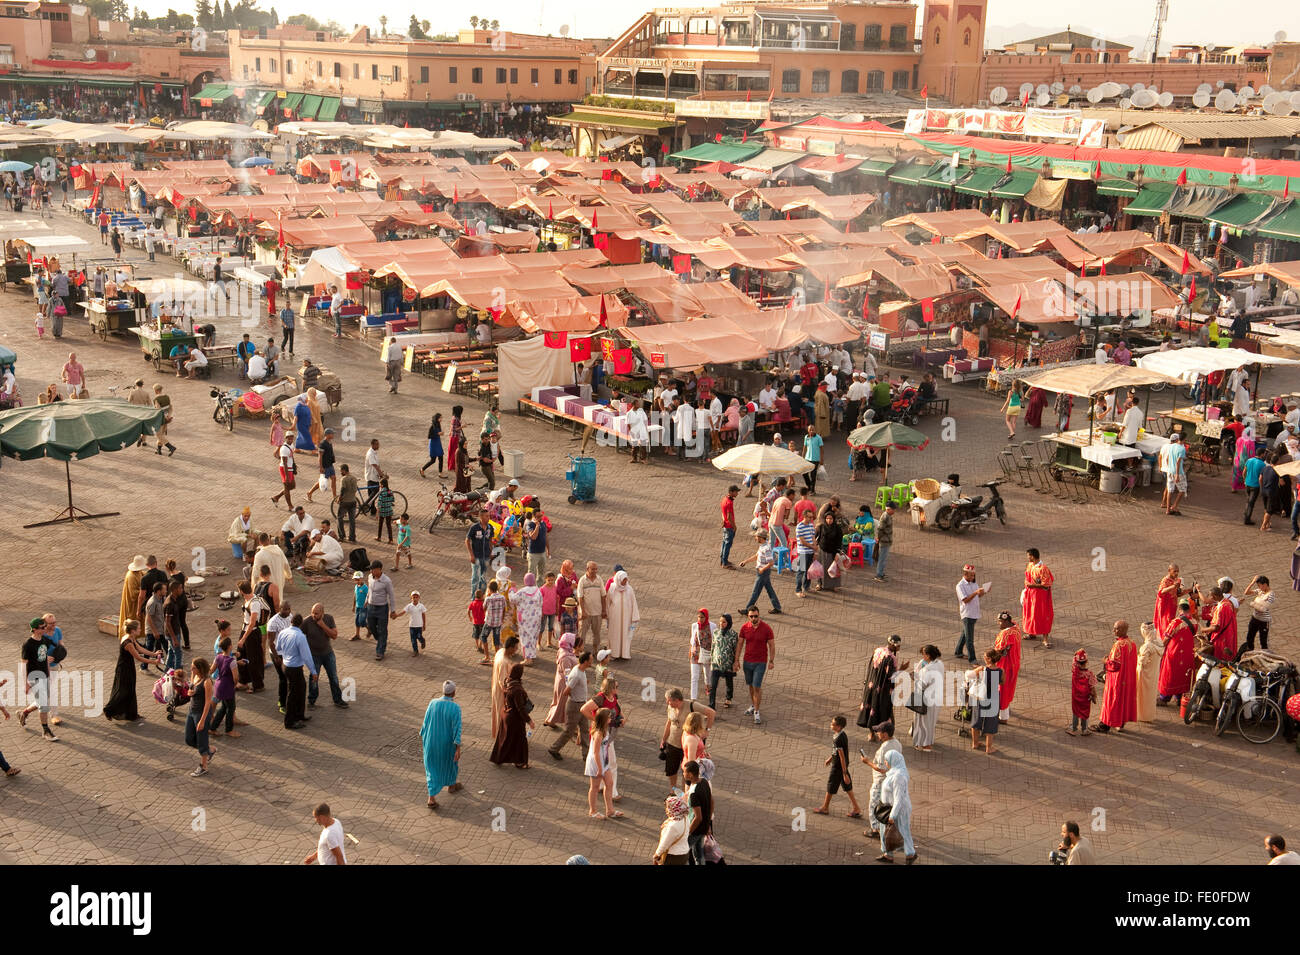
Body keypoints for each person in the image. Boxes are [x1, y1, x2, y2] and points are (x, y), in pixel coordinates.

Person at [103, 619, 158, 723]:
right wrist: (153, 662)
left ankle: (131, 714)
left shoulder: (131, 638)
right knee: (123, 691)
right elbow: (139, 658)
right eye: (138, 628)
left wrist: (154, 654)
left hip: (128, 666)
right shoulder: (128, 642)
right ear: (133, 630)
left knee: (130, 689)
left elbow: (141, 649)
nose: (140, 630)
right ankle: (109, 709)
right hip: (124, 668)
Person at [420, 682, 463, 809]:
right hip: (447, 743)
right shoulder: (455, 708)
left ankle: (434, 796)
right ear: (454, 692)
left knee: (431, 767)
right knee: (450, 763)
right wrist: (458, 747)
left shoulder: (432, 703)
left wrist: (424, 738)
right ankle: (448, 788)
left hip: (431, 741)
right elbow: (457, 729)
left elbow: (425, 722)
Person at [815, 715, 863, 818]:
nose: (831, 725)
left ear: (839, 727)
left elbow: (841, 757)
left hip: (839, 767)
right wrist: (830, 758)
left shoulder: (838, 739)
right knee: (847, 787)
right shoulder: (841, 735)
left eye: (833, 724)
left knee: (831, 786)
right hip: (841, 766)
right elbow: (836, 752)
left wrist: (844, 773)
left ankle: (825, 807)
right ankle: (856, 808)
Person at [548, 651, 593, 761]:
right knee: (569, 731)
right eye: (591, 659)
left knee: (584, 730)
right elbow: (566, 691)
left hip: (582, 704)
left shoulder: (581, 670)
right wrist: (575, 697)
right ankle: (554, 748)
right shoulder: (576, 674)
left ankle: (586, 756)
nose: (592, 661)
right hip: (575, 706)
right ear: (586, 661)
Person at [860, 720, 900, 839]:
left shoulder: (884, 748)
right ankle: (889, 824)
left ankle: (875, 829)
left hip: (881, 780)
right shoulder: (897, 743)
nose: (877, 733)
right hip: (892, 780)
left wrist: (867, 762)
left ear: (885, 734)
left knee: (874, 803)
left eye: (879, 731)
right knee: (888, 804)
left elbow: (882, 769)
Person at [1094, 620, 1137, 733]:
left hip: (1117, 680)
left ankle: (1105, 725)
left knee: (1112, 701)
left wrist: (1105, 661)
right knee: (1123, 701)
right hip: (1127, 678)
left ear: (1122, 630)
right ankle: (1120, 722)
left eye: (1116, 628)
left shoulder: (1118, 645)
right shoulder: (1132, 643)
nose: (1114, 630)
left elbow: (1114, 665)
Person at [737, 606, 776, 725]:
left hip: (760, 662)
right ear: (748, 616)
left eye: (756, 616)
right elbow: (740, 644)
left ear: (759, 615)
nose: (754, 618)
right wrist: (736, 660)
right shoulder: (744, 628)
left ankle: (757, 712)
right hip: (747, 662)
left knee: (757, 686)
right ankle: (754, 705)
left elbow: (771, 645)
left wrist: (771, 660)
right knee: (750, 685)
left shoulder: (766, 628)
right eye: (751, 616)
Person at [875, 750, 915, 864]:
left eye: (887, 761)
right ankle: (890, 854)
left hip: (897, 810)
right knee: (888, 831)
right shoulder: (894, 772)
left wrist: (893, 815)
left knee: (902, 831)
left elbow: (898, 798)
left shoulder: (898, 777)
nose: (885, 763)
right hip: (890, 808)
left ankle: (908, 854)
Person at [490, 663, 533, 769]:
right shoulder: (517, 689)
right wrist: (529, 720)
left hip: (506, 714)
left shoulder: (507, 681)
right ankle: (520, 762)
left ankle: (498, 758)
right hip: (514, 718)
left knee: (505, 738)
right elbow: (520, 708)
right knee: (520, 740)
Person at [1157, 598, 1198, 705]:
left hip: (1174, 653)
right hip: (1188, 653)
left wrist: (1160, 649)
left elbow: (1166, 638)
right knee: (1183, 675)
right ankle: (1179, 698)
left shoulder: (1176, 622)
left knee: (1170, 675)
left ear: (1179, 608)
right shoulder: (1194, 622)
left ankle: (1164, 698)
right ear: (1189, 609)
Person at [584, 708, 621, 820]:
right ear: (604, 719)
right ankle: (593, 811)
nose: (611, 719)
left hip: (603, 761)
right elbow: (595, 752)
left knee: (609, 783)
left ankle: (610, 810)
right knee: (594, 787)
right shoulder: (599, 733)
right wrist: (600, 769)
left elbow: (603, 747)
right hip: (596, 763)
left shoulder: (604, 729)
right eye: (609, 717)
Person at [184, 658, 216, 776]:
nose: (191, 669)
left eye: (194, 667)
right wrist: (189, 693)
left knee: (202, 740)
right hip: (191, 711)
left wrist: (202, 721)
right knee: (189, 739)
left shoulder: (207, 682)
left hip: (201, 713)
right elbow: (191, 689)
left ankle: (203, 766)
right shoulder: (195, 675)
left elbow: (208, 702)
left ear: (200, 668)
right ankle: (209, 750)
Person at [968, 648, 1003, 754]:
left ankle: (975, 743)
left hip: (981, 697)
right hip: (993, 698)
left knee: (976, 720)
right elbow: (1002, 682)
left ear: (988, 659)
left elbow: (969, 676)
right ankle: (989, 748)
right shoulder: (1001, 670)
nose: (983, 658)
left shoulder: (982, 669)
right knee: (991, 723)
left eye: (984, 656)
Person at [910, 645, 944, 750]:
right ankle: (928, 742)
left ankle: (921, 744)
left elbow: (922, 685)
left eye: (924, 654)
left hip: (925, 698)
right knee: (931, 721)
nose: (923, 656)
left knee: (921, 721)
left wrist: (914, 677)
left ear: (928, 656)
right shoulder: (940, 664)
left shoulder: (927, 669)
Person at [738, 532, 782, 614]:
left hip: (763, 573)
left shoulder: (766, 549)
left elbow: (771, 563)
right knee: (769, 590)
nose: (755, 538)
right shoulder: (762, 546)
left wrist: (762, 569)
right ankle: (777, 607)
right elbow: (756, 556)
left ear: (761, 537)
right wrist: (745, 561)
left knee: (755, 591)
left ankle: (748, 609)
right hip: (762, 572)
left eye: (756, 536)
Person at [1021, 548, 1055, 648]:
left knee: (1042, 615)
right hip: (1030, 595)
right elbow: (1027, 577)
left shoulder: (1043, 568)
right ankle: (1031, 633)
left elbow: (1046, 585)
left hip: (1040, 597)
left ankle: (1045, 639)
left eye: (1028, 555)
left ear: (1032, 556)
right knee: (1031, 614)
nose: (1027, 557)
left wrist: (1033, 586)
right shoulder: (1030, 565)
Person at [992, 612, 1022, 723]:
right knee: (1009, 687)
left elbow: (998, 650)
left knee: (1003, 689)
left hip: (1006, 665)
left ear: (1005, 621)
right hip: (1014, 663)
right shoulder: (1016, 628)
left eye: (1000, 622)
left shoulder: (1006, 634)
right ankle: (1006, 708)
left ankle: (1003, 717)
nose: (999, 624)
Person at [605, 570, 640, 661]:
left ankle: (624, 654)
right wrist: (608, 615)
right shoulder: (612, 588)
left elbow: (634, 603)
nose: (625, 581)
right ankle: (614, 653)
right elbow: (608, 602)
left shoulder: (629, 589)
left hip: (626, 618)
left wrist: (634, 617)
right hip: (614, 618)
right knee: (614, 635)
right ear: (619, 579)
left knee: (625, 635)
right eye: (623, 580)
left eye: (626, 579)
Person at [365, 560, 395, 661]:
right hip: (370, 606)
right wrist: (366, 600)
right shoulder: (370, 577)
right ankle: (381, 641)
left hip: (382, 608)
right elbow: (369, 590)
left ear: (379, 569)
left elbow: (391, 596)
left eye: (373, 569)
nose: (371, 571)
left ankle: (380, 651)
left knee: (382, 630)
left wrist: (393, 610)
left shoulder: (386, 581)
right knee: (371, 626)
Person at [955, 564, 984, 663]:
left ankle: (958, 652)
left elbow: (976, 597)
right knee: (969, 639)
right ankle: (972, 659)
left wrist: (982, 593)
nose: (973, 577)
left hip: (974, 613)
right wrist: (976, 593)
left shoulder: (973, 584)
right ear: (965, 574)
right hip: (967, 614)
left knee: (965, 634)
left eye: (973, 575)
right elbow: (966, 600)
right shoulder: (960, 586)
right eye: (971, 575)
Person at [709, 613, 738, 710]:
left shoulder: (733, 635)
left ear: (728, 623)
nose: (721, 623)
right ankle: (711, 706)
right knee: (713, 686)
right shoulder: (716, 632)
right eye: (720, 621)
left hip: (728, 663)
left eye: (724, 622)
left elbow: (735, 649)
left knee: (729, 682)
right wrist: (712, 658)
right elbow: (713, 646)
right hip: (716, 663)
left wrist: (735, 662)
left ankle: (728, 698)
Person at [514, 573, 544, 663]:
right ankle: (532, 654)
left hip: (524, 619)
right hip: (536, 618)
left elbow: (513, 599)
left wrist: (512, 590)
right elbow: (541, 603)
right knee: (533, 636)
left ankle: (528, 659)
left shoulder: (522, 591)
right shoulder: (538, 591)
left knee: (525, 637)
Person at [1068, 648, 1097, 736]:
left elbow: (1074, 660)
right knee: (1085, 712)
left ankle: (1073, 728)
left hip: (1076, 696)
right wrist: (1094, 696)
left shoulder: (1075, 671)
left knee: (1076, 711)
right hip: (1085, 697)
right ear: (1086, 662)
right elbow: (1092, 687)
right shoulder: (1089, 674)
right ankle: (1084, 729)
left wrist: (1077, 653)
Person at [653, 796, 691, 865]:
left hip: (673, 857)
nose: (666, 810)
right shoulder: (685, 818)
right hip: (685, 853)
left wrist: (656, 855)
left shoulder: (672, 826)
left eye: (668, 807)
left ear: (674, 809)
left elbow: (665, 843)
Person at [688, 609, 716, 702]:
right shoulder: (694, 625)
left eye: (702, 617)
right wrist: (691, 651)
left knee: (707, 674)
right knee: (694, 677)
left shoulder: (713, 626)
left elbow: (715, 640)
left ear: (706, 617)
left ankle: (708, 686)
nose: (700, 619)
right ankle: (693, 698)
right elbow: (692, 640)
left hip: (707, 654)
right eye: (699, 617)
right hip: (696, 654)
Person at [1242, 575, 1274, 651]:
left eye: (1260, 586)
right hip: (1254, 618)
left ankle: (1265, 655)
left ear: (1265, 584)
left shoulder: (1271, 595)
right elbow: (1246, 592)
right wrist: (1252, 583)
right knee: (1250, 637)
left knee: (1263, 641)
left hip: (1264, 621)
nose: (1259, 587)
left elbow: (1263, 608)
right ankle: (1250, 652)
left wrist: (1253, 604)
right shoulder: (1260, 591)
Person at [1159, 432, 1188, 516]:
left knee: (1170, 489)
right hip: (1178, 472)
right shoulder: (1182, 449)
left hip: (1170, 471)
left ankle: (1168, 509)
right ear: (1184, 439)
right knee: (1182, 490)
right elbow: (1178, 462)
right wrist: (1177, 475)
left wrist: (1169, 467)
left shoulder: (1171, 446)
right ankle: (1174, 506)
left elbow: (1167, 458)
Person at [1153, 564, 1183, 639]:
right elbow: (1161, 592)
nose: (1176, 573)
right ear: (1169, 571)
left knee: (1170, 622)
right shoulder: (1165, 580)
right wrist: (1173, 586)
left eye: (1177, 571)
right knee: (1164, 623)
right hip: (1165, 607)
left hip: (1172, 606)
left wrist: (1190, 590)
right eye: (1174, 571)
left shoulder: (1177, 580)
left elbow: (1178, 594)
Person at [336, 464, 358, 543]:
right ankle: (352, 537)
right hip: (353, 501)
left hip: (345, 502)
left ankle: (342, 536)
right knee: (352, 520)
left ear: (344, 470)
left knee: (339, 518)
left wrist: (339, 498)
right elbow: (355, 489)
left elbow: (343, 489)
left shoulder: (344, 479)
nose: (340, 472)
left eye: (341, 470)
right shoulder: (354, 478)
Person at [873, 503, 895, 581]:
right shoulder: (885, 517)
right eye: (893, 510)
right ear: (889, 509)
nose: (894, 511)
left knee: (884, 558)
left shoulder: (888, 516)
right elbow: (880, 529)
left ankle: (881, 573)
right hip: (884, 541)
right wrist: (878, 538)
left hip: (887, 540)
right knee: (882, 558)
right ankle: (878, 575)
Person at [720, 485, 739, 569]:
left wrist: (723, 521)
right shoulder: (729, 502)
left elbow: (723, 514)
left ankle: (723, 560)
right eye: (736, 492)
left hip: (726, 525)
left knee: (724, 543)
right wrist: (734, 526)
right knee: (728, 544)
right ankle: (725, 563)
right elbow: (729, 517)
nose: (737, 493)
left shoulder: (724, 499)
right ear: (731, 492)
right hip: (729, 526)